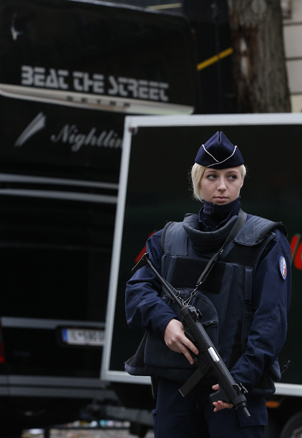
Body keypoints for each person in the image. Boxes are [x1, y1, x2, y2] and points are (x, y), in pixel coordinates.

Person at [124, 131, 291, 438]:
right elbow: (136, 292)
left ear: (242, 181)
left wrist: (238, 382)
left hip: (234, 391)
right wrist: (166, 324)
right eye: (212, 176)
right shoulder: (168, 238)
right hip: (177, 392)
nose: (222, 186)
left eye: (231, 176)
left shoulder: (266, 241)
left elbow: (271, 321)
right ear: (198, 181)